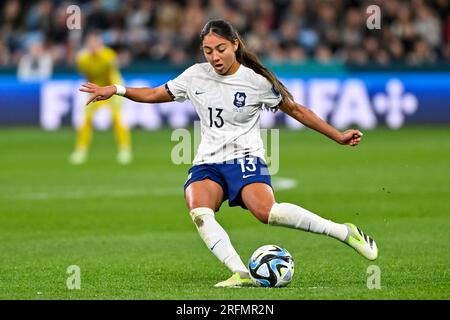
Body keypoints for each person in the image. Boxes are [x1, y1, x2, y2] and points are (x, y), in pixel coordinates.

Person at [79, 20, 378, 287]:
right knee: (198, 210)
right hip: (208, 161)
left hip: (246, 158)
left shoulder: (255, 82)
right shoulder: (195, 76)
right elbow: (157, 93)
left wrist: (338, 136)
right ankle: (241, 273)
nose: (214, 57)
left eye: (220, 48)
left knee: (267, 213)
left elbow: (297, 110)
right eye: (208, 51)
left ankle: (343, 231)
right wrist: (117, 89)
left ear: (235, 44)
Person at [70, 30, 132, 165]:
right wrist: (93, 90)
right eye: (90, 44)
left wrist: (114, 91)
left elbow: (113, 74)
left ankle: (125, 150)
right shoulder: (83, 59)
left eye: (96, 43)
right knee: (86, 119)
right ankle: (81, 150)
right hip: (97, 89)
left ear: (100, 44)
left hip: (112, 88)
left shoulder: (108, 56)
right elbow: (87, 75)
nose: (93, 46)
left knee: (117, 118)